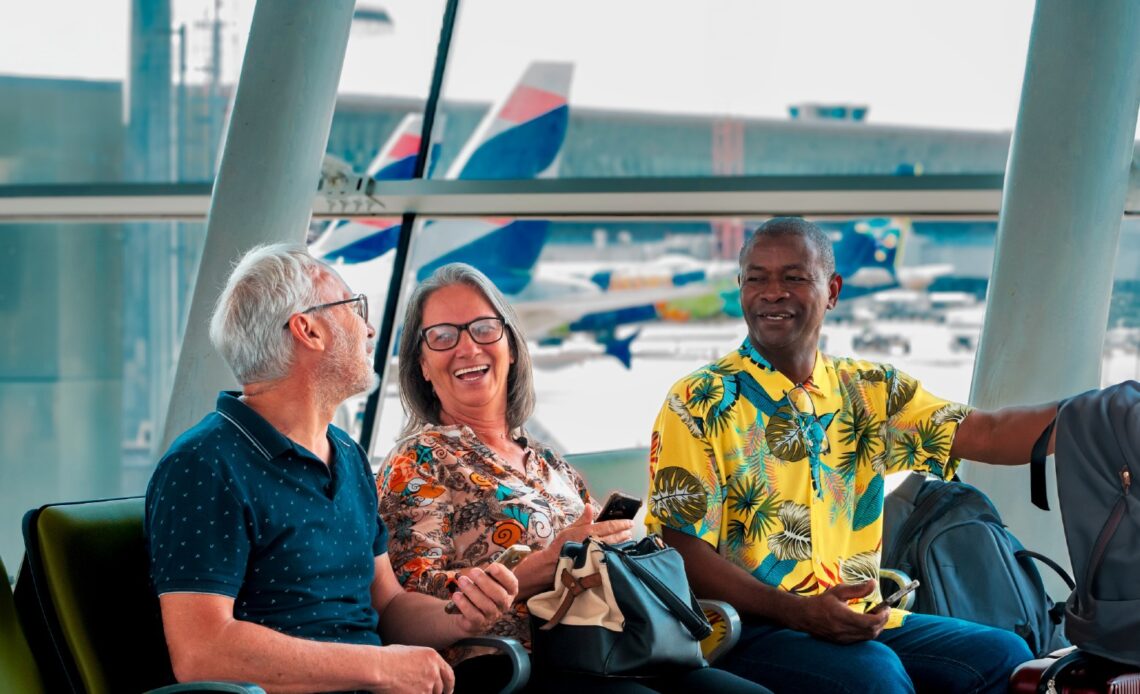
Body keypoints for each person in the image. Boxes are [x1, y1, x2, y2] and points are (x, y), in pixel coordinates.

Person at [648, 217, 1053, 694]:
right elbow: (681, 551)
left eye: (794, 278)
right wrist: (800, 612)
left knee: (1005, 656)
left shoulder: (868, 390)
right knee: (874, 675)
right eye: (757, 278)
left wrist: (1100, 415)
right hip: (744, 625)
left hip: (859, 616)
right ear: (741, 289)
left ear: (832, 290)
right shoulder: (700, 399)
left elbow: (987, 434)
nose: (772, 292)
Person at [377, 262, 771, 694]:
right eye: (443, 336)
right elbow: (413, 602)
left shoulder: (550, 463)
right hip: (513, 664)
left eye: (484, 329)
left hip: (613, 645)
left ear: (510, 346)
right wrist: (544, 567)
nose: (467, 348)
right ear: (422, 366)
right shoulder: (419, 460)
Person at [145, 244, 518, 694]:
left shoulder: (345, 453)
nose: (369, 328)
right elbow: (203, 652)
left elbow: (389, 606)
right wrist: (379, 668)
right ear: (308, 330)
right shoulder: (205, 464)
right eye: (353, 307)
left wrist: (457, 614)